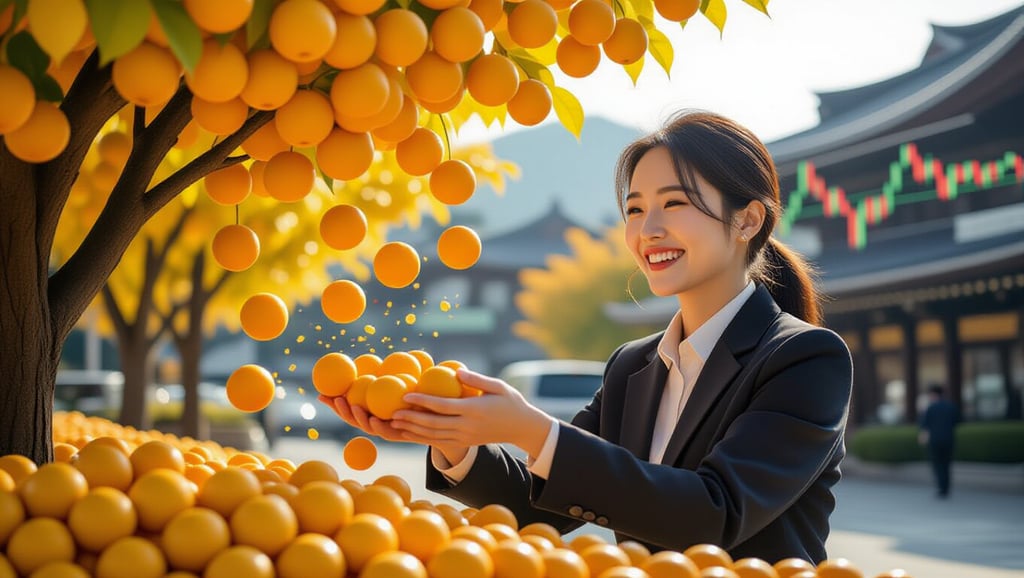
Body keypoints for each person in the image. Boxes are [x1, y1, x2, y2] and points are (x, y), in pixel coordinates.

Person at [321, 111, 853, 564]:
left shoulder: (805, 359)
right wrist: (452, 440)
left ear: (747, 221)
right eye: (635, 209)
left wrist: (532, 429)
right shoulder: (633, 366)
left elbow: (715, 515)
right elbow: (535, 505)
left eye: (674, 203)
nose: (648, 230)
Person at [918, 384, 958, 498]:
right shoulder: (951, 406)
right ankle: (946, 487)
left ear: (933, 394)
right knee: (946, 464)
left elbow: (924, 425)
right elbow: (957, 421)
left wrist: (922, 438)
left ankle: (941, 488)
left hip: (935, 440)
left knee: (937, 464)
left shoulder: (931, 408)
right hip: (949, 439)